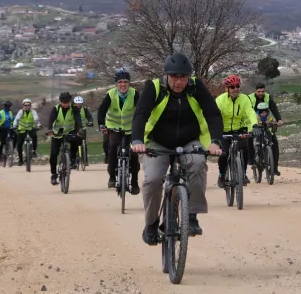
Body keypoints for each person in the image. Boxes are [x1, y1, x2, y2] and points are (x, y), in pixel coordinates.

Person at [131, 53, 223, 243]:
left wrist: (215, 141)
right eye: (174, 77)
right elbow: (140, 114)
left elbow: (213, 114)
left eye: (183, 77)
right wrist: (138, 141)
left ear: (188, 77)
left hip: (190, 141)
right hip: (158, 143)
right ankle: (151, 224)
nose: (178, 82)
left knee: (198, 164)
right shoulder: (154, 88)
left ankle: (191, 217)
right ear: (166, 76)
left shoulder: (196, 87)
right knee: (153, 180)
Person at [98, 69, 140, 191]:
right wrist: (101, 124)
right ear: (116, 84)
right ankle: (112, 177)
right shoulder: (111, 94)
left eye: (125, 82)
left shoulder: (134, 94)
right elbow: (102, 110)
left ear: (129, 83)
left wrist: (141, 124)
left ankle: (134, 182)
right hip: (114, 127)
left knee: (133, 153)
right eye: (120, 82)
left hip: (130, 129)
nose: (123, 84)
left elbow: (141, 110)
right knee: (113, 147)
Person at [215, 75, 258, 188]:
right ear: (227, 89)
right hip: (224, 131)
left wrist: (255, 125)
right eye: (232, 87)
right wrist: (215, 131)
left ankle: (243, 174)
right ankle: (222, 174)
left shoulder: (244, 99)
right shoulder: (220, 100)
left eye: (237, 86)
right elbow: (215, 116)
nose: (235, 89)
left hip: (240, 129)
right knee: (224, 154)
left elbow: (250, 112)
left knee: (244, 149)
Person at [45, 91, 84, 185]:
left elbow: (78, 119)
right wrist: (50, 130)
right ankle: (54, 175)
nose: (65, 104)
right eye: (63, 102)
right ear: (60, 102)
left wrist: (80, 129)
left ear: (70, 101)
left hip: (70, 130)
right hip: (57, 132)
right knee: (53, 154)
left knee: (76, 140)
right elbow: (51, 120)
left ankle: (73, 159)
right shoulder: (55, 109)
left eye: (67, 102)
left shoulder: (74, 108)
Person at [248, 82, 284, 176]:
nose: (260, 93)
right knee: (250, 139)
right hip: (253, 124)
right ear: (255, 91)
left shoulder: (268, 97)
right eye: (259, 91)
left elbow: (274, 108)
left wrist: (279, 119)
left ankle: (274, 168)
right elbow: (247, 111)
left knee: (274, 143)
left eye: (262, 91)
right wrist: (254, 123)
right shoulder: (249, 98)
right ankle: (252, 160)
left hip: (267, 123)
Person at [13, 98, 42, 165]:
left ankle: (34, 151)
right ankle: (20, 159)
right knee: (19, 144)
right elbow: (16, 119)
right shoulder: (21, 112)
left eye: (29, 105)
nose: (27, 106)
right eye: (25, 105)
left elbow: (36, 119)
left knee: (34, 136)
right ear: (23, 105)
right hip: (22, 130)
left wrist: (39, 125)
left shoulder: (33, 111)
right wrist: (14, 126)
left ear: (30, 105)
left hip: (30, 129)